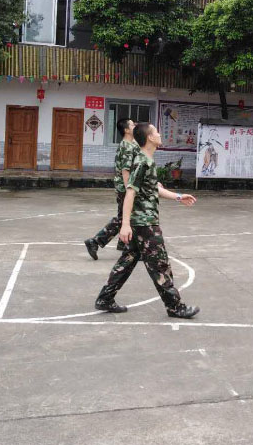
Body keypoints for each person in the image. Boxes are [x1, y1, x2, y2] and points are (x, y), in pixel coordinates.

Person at [94, 122, 200, 319]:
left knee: (127, 260)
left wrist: (178, 196)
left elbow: (154, 189)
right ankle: (175, 307)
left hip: (141, 222)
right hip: (145, 224)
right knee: (160, 265)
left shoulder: (146, 160)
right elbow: (130, 192)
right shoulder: (143, 161)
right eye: (156, 132)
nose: (159, 134)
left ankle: (105, 298)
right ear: (150, 138)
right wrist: (125, 224)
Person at [85, 118, 139, 260]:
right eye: (133, 124)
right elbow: (126, 170)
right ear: (127, 130)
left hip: (123, 186)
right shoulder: (127, 146)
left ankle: (123, 244)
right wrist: (130, 190)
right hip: (125, 187)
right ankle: (95, 241)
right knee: (125, 217)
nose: (135, 126)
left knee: (125, 216)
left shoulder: (130, 144)